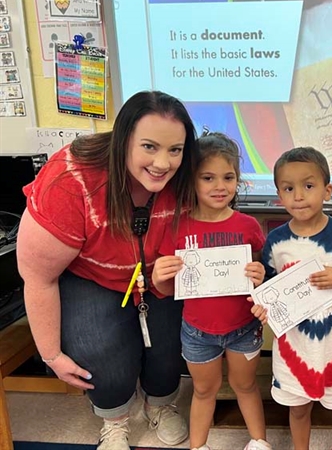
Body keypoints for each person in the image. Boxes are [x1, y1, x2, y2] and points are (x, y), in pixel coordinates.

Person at [16, 91, 197, 450]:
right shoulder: (71, 181)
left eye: (174, 150)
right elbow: (38, 275)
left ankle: (160, 405)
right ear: (123, 140)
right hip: (91, 275)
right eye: (149, 147)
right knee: (103, 356)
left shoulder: (191, 173)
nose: (163, 163)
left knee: (168, 348)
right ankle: (114, 420)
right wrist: (50, 353)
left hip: (161, 274)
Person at [152, 132, 271, 450]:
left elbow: (259, 276)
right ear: (191, 181)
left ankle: (259, 442)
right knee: (204, 391)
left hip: (244, 328)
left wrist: (259, 275)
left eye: (228, 177)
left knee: (245, 386)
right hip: (197, 331)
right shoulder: (177, 227)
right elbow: (165, 288)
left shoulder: (248, 226)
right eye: (208, 177)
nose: (220, 186)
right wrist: (159, 275)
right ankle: (198, 445)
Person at [252, 147, 332, 450]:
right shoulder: (276, 240)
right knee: (298, 403)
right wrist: (263, 303)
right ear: (279, 195)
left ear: (327, 190)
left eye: (308, 186)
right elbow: (267, 286)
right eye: (289, 188)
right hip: (294, 343)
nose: (299, 196)